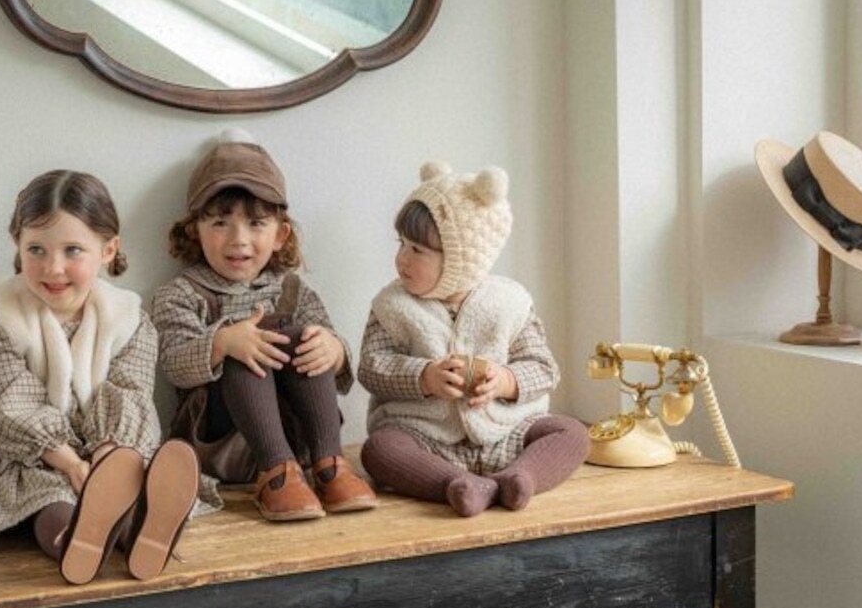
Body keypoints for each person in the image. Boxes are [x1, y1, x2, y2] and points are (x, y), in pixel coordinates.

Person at [0, 170, 200, 584]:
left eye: (73, 250)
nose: (53, 268)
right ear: (17, 244)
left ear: (108, 250)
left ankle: (140, 529)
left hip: (110, 456)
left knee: (124, 488)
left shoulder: (129, 320)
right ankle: (77, 539)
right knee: (51, 500)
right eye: (37, 249)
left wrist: (107, 461)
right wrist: (71, 464)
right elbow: (5, 404)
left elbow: (129, 393)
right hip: (27, 457)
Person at [152, 130, 377, 521]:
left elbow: (336, 360)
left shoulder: (292, 289)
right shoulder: (180, 294)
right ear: (195, 231)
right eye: (220, 223)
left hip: (296, 441)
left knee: (308, 337)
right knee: (245, 346)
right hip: (222, 444)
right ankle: (275, 473)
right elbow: (173, 363)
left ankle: (329, 465)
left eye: (256, 223)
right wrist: (223, 343)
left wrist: (335, 350)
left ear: (280, 234)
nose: (238, 240)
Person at [358, 162, 588, 516]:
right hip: (425, 438)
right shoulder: (391, 306)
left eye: (417, 250)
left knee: (572, 433)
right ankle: (457, 484)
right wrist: (424, 377)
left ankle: (520, 477)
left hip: (506, 435)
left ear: (460, 259)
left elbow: (544, 368)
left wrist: (505, 381)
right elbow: (372, 368)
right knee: (379, 449)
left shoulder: (510, 302)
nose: (402, 258)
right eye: (401, 243)